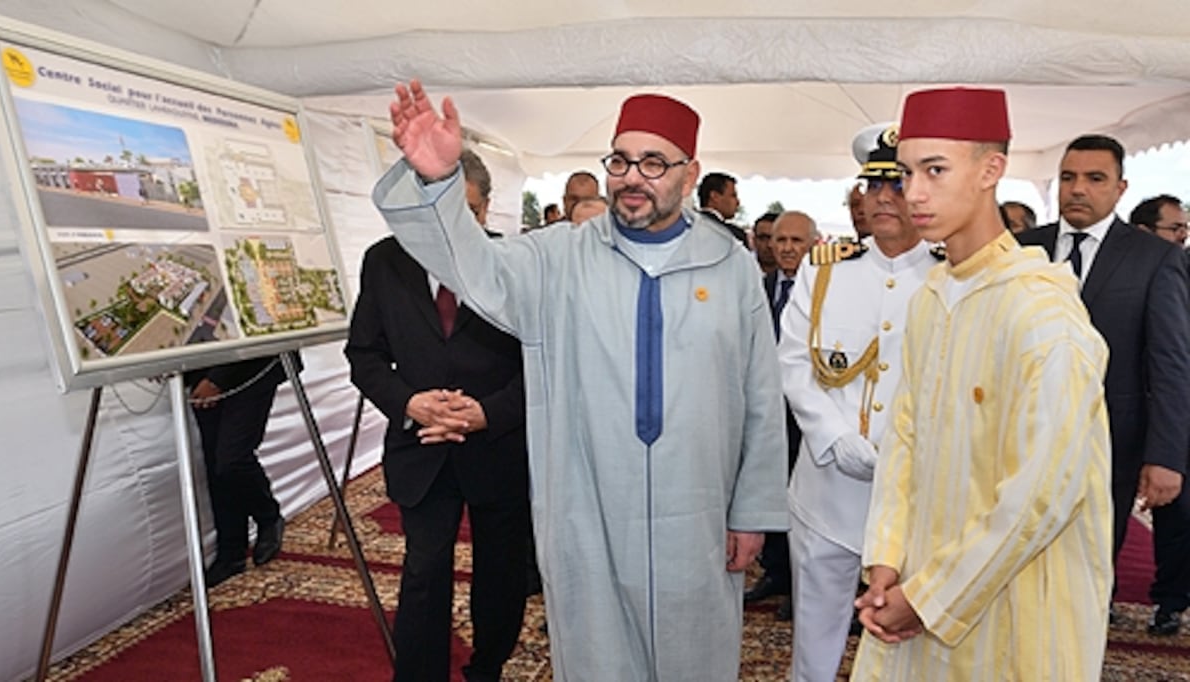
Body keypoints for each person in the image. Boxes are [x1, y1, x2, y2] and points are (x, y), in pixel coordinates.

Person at [373, 80, 789, 681]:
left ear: (690, 172)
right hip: (588, 509)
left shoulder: (731, 268)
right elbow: (471, 266)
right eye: (619, 160)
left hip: (694, 510)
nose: (631, 177)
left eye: (653, 162)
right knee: (597, 658)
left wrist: (751, 511)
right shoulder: (558, 258)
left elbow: (760, 396)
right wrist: (438, 182)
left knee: (692, 653)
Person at [851, 87, 1112, 680]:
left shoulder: (1042, 313)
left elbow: (1044, 491)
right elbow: (904, 442)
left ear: (991, 170)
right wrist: (888, 562)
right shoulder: (932, 297)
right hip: (919, 585)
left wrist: (932, 596)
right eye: (906, 173)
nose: (913, 193)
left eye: (935, 170)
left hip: (1015, 602)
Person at [346, 148, 530, 681]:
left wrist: (486, 415)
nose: (451, 229)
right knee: (424, 570)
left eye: (466, 213)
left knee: (501, 571)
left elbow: (543, 363)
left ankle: (487, 668)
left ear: (486, 209)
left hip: (498, 446)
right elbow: (365, 355)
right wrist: (410, 402)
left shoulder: (514, 264)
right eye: (438, 215)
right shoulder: (385, 261)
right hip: (421, 447)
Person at [779, 123, 938, 682]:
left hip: (917, 496)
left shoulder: (952, 274)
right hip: (827, 490)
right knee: (814, 636)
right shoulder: (825, 272)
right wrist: (834, 437)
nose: (885, 198)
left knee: (903, 634)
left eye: (898, 184)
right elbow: (794, 362)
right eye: (873, 187)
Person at [1019, 138, 1190, 636]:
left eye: (1094, 179)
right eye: (1068, 177)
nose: (1078, 189)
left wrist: (1166, 456)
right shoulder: (1022, 250)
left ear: (1120, 188)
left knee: (1087, 577)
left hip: (1110, 447)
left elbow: (1170, 363)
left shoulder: (1154, 259)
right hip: (1018, 440)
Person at [742, 210, 816, 621]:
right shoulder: (759, 287)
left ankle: (800, 583)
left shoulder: (825, 291)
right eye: (780, 240)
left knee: (800, 502)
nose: (786, 248)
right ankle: (775, 572)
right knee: (768, 490)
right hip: (765, 413)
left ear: (812, 245)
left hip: (805, 418)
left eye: (795, 242)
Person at [188, 355, 295, 588]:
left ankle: (268, 516)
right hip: (199, 369)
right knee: (215, 466)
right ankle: (231, 553)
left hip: (252, 365)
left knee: (232, 459)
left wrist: (217, 380)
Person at [698, 171, 750, 246]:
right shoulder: (733, 235)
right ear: (715, 196)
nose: (737, 202)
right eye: (733, 195)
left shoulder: (687, 228)